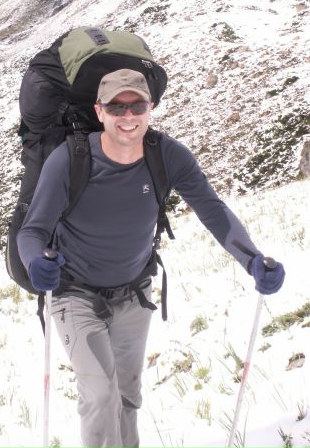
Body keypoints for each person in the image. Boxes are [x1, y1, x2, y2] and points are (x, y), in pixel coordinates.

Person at [17, 67, 285, 448]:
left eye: (137, 106)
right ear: (99, 111)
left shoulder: (166, 155)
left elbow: (212, 210)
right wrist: (34, 262)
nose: (127, 116)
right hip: (74, 294)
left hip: (135, 293)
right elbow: (31, 231)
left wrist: (252, 259)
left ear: (151, 107)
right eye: (116, 107)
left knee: (127, 397)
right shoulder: (70, 160)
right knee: (101, 397)